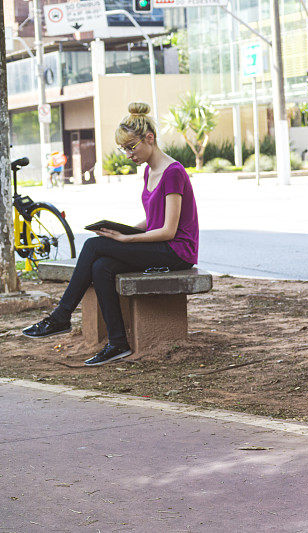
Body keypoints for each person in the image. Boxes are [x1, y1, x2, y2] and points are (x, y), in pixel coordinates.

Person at [22, 102, 200, 367]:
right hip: (161, 245)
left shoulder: (173, 172)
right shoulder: (150, 171)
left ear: (149, 138)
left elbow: (169, 230)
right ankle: (118, 343)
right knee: (102, 266)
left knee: (94, 247)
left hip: (177, 251)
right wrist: (122, 229)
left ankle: (60, 316)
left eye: (131, 147)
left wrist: (127, 239)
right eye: (124, 149)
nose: (128, 154)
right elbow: (153, 221)